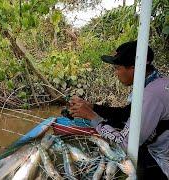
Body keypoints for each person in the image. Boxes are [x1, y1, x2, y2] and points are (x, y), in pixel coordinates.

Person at [68, 40, 169, 179]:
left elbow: (125, 143)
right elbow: (125, 114)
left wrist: (93, 118)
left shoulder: (150, 96)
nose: (116, 73)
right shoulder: (155, 83)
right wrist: (91, 107)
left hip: (162, 163)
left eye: (117, 68)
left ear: (134, 67)